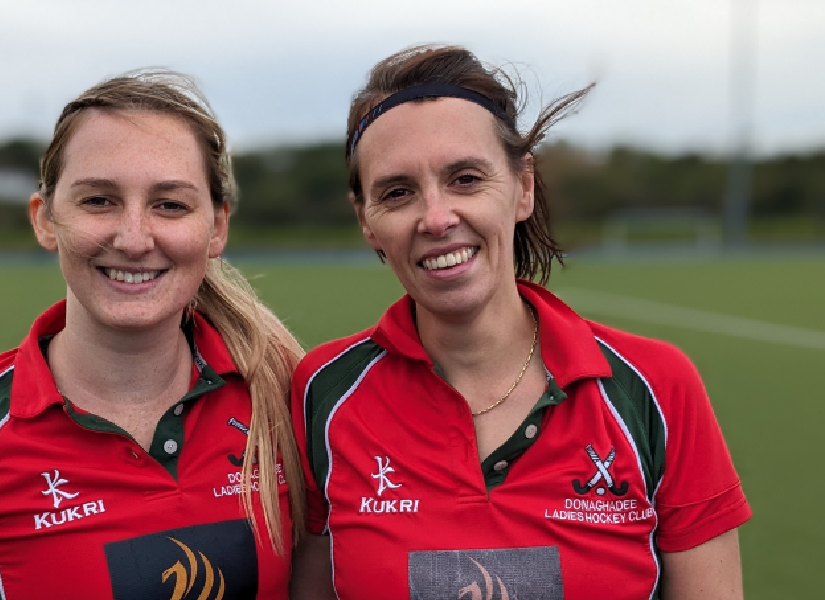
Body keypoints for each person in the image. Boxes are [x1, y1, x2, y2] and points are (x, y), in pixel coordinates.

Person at [290, 45, 750, 600]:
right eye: (397, 192)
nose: (436, 218)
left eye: (465, 178)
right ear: (366, 220)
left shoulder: (656, 385)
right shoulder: (323, 390)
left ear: (523, 187)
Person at [0, 69, 305, 600]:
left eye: (170, 204)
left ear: (217, 227)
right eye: (98, 201)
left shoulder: (286, 397)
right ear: (45, 220)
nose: (133, 239)